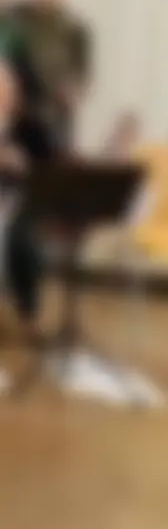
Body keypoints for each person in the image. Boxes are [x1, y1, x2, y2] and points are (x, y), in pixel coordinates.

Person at [3, 0, 89, 147]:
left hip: (55, 118)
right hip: (17, 116)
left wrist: (72, 91)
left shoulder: (74, 30)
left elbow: (81, 76)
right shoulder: (14, 17)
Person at [0, 59, 57, 344]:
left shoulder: (32, 128)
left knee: (25, 239)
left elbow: (51, 171)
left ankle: (28, 316)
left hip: (22, 202)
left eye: (7, 90)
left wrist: (24, 166)